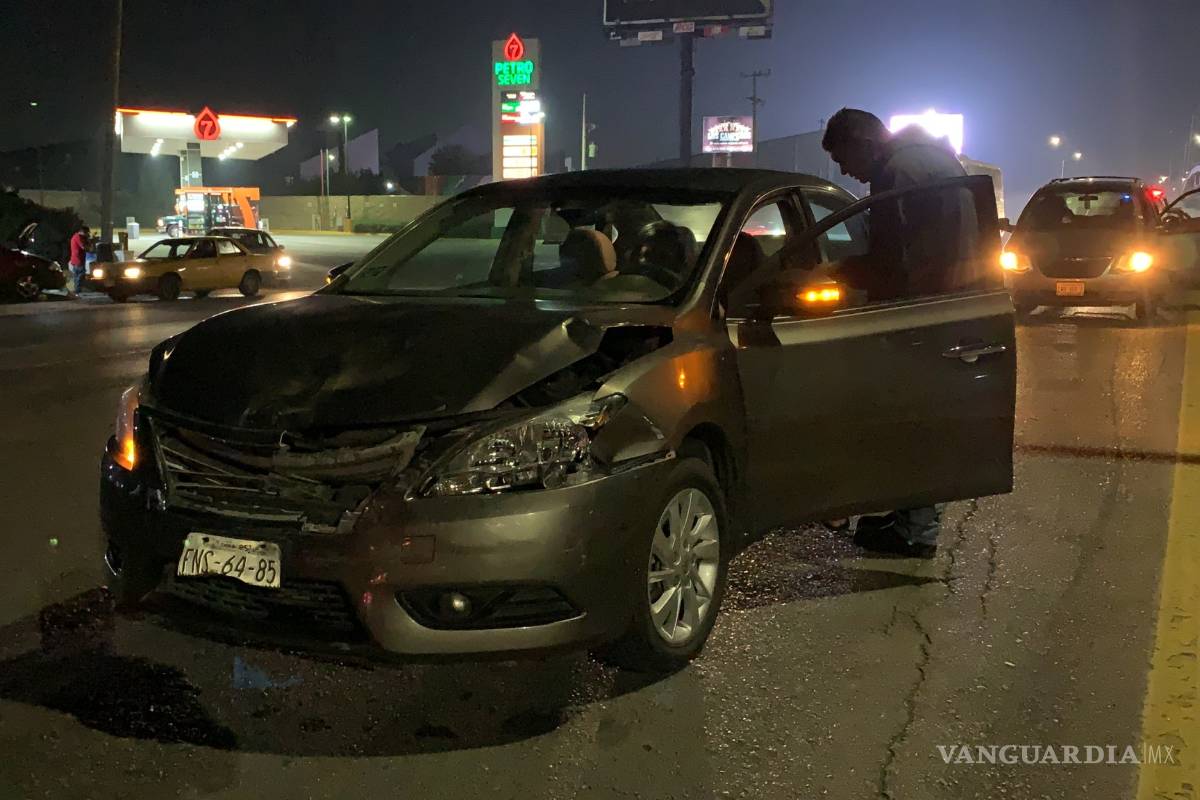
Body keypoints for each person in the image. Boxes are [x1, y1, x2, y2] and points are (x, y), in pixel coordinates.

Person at [819, 108, 968, 559]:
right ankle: (910, 518)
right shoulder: (934, 159)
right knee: (923, 421)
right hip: (952, 305)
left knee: (909, 422)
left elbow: (892, 258)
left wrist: (833, 272)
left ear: (862, 142)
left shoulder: (898, 171)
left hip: (917, 313)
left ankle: (914, 532)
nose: (847, 172)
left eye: (844, 159)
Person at [67, 224, 92, 294]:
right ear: (83, 231)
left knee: (77, 275)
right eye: (87, 233)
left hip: (77, 259)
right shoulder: (78, 237)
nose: (87, 234)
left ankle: (77, 290)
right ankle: (78, 290)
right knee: (80, 274)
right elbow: (84, 247)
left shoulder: (76, 237)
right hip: (78, 259)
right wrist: (89, 243)